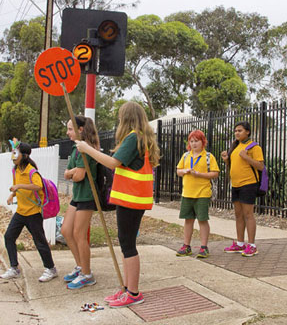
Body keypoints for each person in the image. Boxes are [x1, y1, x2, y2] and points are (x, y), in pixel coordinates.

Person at [74, 101, 160, 308]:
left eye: (121, 116)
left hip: (130, 200)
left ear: (126, 118)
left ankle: (133, 292)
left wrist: (87, 149)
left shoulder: (133, 138)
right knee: (126, 244)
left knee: (128, 245)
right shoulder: (142, 139)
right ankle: (127, 288)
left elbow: (113, 163)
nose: (119, 120)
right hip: (133, 200)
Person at [0, 143, 58, 282]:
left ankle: (51, 269)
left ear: (24, 156)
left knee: (40, 242)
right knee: (9, 237)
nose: (13, 156)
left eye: (16, 153)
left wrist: (19, 186)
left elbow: (38, 186)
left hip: (33, 213)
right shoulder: (16, 170)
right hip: (21, 212)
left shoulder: (31, 171)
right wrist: (11, 196)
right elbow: (16, 188)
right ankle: (14, 268)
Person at [61, 116, 100, 290]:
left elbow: (79, 176)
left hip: (87, 196)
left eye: (70, 129)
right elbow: (67, 173)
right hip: (77, 196)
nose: (67, 132)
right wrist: (72, 172)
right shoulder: (76, 149)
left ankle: (87, 274)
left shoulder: (86, 149)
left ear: (81, 129)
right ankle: (80, 266)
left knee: (79, 234)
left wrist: (73, 172)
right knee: (66, 230)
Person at [221, 122, 264, 257]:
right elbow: (233, 165)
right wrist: (226, 160)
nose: (237, 133)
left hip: (248, 184)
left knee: (248, 214)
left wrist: (246, 157)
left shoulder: (254, 147)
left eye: (240, 130)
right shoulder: (235, 147)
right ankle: (240, 244)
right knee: (238, 215)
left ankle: (252, 245)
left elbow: (261, 166)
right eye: (235, 131)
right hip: (236, 185)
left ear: (248, 132)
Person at [175, 129, 220, 259]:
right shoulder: (185, 156)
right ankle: (186, 246)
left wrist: (199, 174)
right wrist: (184, 171)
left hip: (202, 193)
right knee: (188, 220)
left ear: (202, 142)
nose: (194, 144)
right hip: (187, 193)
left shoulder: (208, 157)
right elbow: (178, 171)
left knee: (202, 219)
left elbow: (215, 173)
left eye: (197, 141)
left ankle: (204, 247)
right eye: (192, 141)